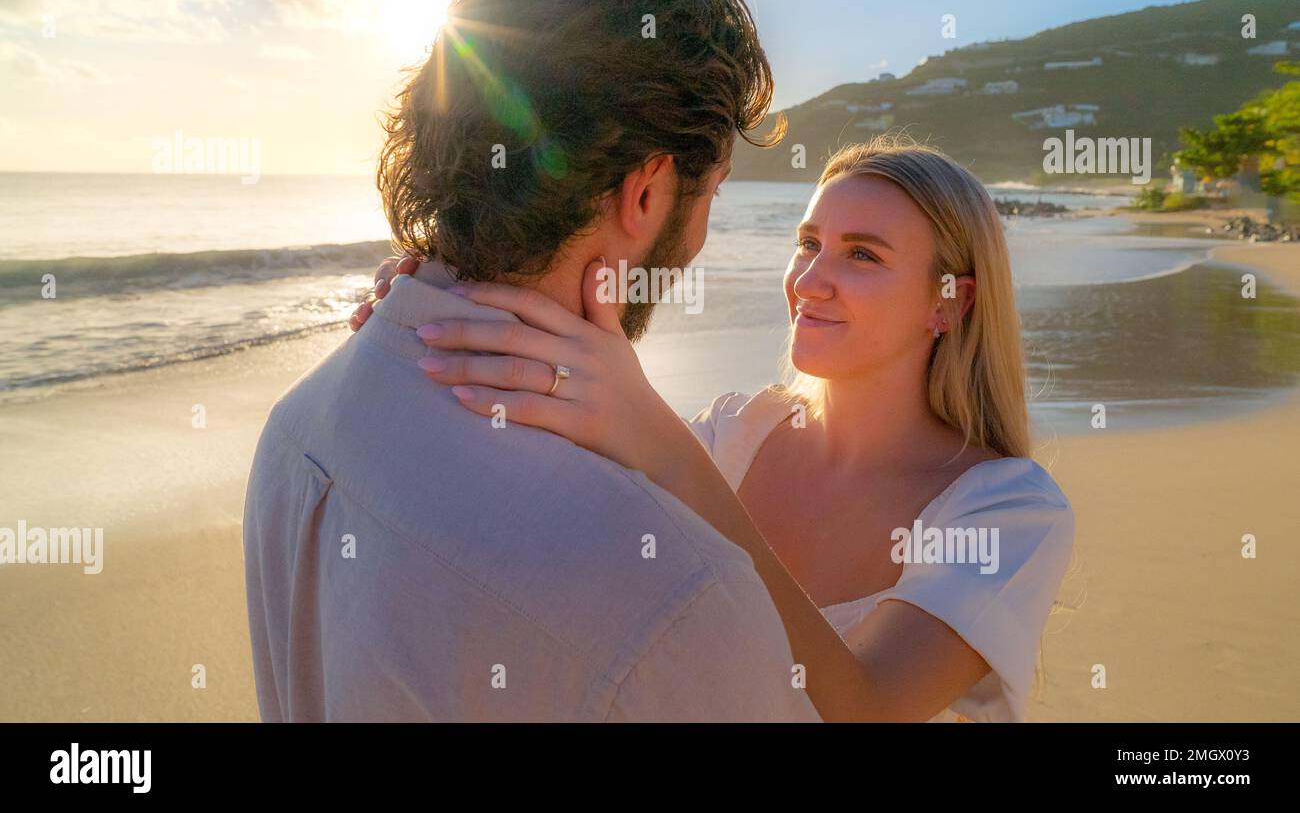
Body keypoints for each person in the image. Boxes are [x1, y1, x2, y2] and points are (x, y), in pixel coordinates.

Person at [243, 0, 820, 721]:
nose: (699, 238)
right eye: (711, 190)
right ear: (647, 192)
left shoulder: (296, 425)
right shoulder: (681, 598)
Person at [358, 137, 1076, 721]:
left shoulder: (1008, 508)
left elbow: (868, 706)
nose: (810, 279)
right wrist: (444, 313)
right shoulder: (737, 435)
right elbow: (534, 507)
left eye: (862, 255)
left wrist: (663, 446)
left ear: (949, 302)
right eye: (808, 242)